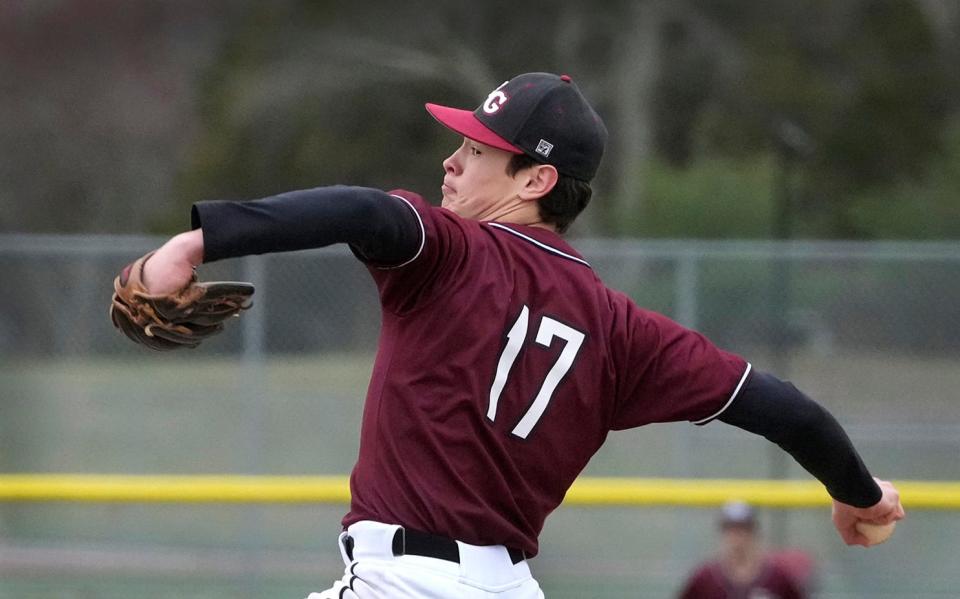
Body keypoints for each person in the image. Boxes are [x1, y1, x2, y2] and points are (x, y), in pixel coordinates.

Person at [137, 72, 904, 598]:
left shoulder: (447, 251)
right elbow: (783, 407)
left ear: (535, 180)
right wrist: (859, 494)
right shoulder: (624, 329)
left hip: (401, 580)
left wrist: (194, 243)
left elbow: (366, 212)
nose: (452, 160)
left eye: (476, 150)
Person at [677, 501, 811, 599]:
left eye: (743, 529)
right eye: (731, 529)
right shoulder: (705, 579)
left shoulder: (777, 577)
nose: (737, 537)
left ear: (754, 532)